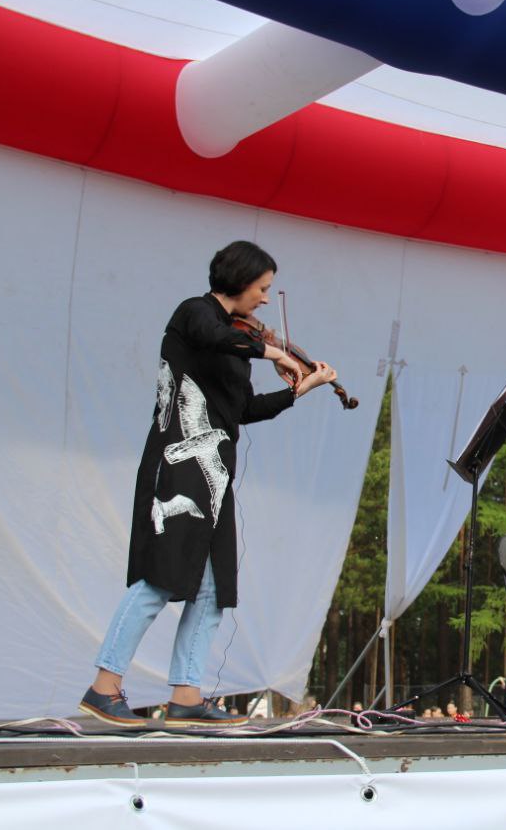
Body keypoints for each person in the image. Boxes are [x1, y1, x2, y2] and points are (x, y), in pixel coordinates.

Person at [78, 240, 338, 728]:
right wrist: (272, 350)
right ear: (239, 280)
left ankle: (186, 696)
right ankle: (103, 686)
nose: (265, 299)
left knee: (213, 589)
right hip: (178, 465)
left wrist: (298, 390)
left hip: (215, 474)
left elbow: (243, 410)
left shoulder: (238, 347)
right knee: (160, 579)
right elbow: (214, 336)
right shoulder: (194, 314)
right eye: (262, 288)